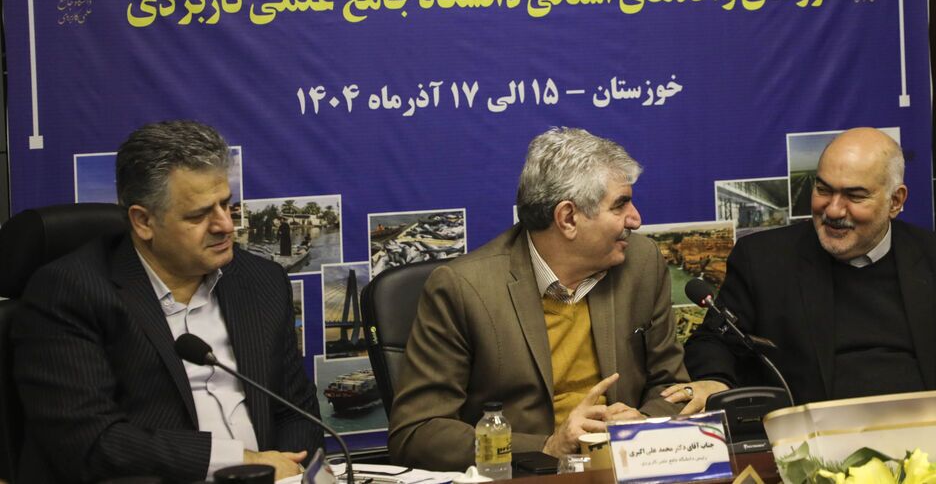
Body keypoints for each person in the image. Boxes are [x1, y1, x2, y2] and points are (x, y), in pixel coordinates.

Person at [389, 127, 716, 471]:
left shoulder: (641, 263)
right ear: (568, 218)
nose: (636, 219)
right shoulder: (464, 289)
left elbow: (671, 386)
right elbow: (417, 433)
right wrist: (547, 447)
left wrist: (641, 427)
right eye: (620, 205)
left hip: (625, 470)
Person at [12, 121, 322, 483]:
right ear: (143, 221)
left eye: (226, 205)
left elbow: (296, 412)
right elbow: (91, 441)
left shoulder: (260, 280)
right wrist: (241, 463)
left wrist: (289, 474)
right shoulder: (70, 293)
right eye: (199, 215)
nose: (225, 225)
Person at [684, 128, 936, 416]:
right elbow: (713, 341)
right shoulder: (764, 260)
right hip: (810, 451)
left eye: (855, 196)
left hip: (930, 445)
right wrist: (715, 380)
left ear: (895, 201)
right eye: (823, 189)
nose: (833, 210)